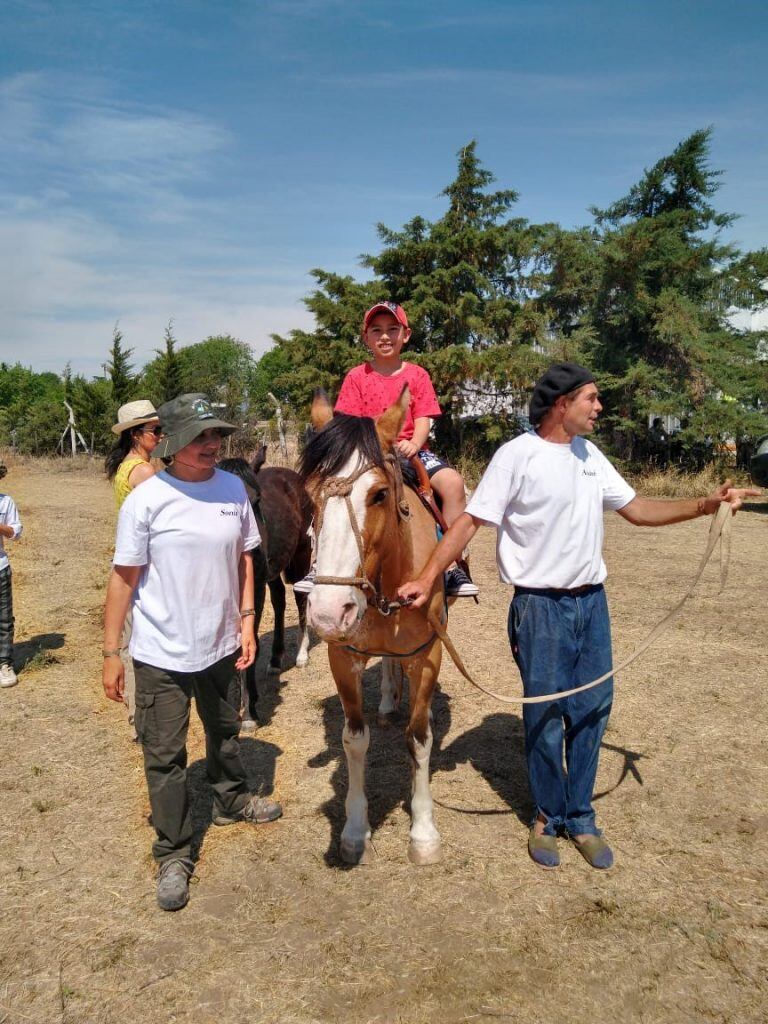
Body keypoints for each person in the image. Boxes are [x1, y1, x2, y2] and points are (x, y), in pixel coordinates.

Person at [398, 362, 758, 871]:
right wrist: (428, 575)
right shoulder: (516, 457)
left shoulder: (591, 455)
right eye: (591, 397)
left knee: (592, 707)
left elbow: (637, 509)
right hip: (539, 607)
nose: (599, 407)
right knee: (546, 713)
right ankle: (547, 817)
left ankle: (581, 816)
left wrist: (707, 504)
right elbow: (468, 525)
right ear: (560, 404)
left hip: (592, 603)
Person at [102, 393, 282, 912]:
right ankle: (174, 852)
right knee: (165, 756)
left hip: (222, 643)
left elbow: (246, 560)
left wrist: (248, 622)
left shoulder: (232, 489)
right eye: (200, 436)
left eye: (217, 436)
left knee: (225, 730)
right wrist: (112, 651)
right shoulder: (147, 499)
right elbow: (122, 579)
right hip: (161, 650)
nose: (212, 444)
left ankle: (230, 800)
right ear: (172, 442)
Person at [296, 301, 477, 597]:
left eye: (392, 329)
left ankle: (453, 565)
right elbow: (347, 424)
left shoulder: (417, 375)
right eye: (376, 330)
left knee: (453, 483)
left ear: (406, 335)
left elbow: (424, 417)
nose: (384, 336)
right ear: (366, 337)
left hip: (411, 450)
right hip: (366, 453)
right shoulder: (357, 376)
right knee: (329, 486)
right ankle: (319, 562)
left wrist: (415, 443)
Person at [104, 400, 162, 735]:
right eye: (155, 430)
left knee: (132, 638)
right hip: (143, 565)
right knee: (139, 642)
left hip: (132, 560)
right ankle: (141, 718)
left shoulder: (128, 466)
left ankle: (137, 715)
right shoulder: (142, 472)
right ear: (136, 435)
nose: (160, 435)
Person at [0, 463, 22, 688]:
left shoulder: (6, 502)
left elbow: (16, 533)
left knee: (4, 620)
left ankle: (4, 664)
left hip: (0, 567)